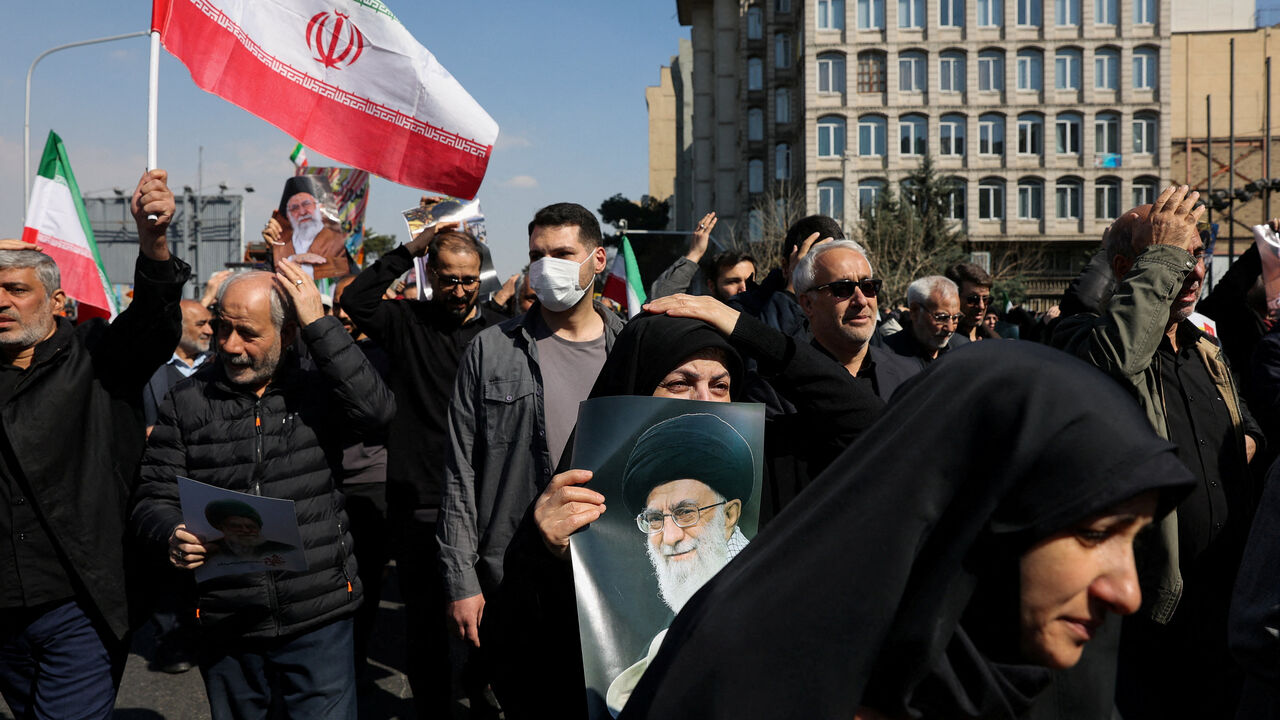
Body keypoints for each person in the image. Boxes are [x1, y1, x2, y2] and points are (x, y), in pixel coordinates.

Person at [615, 341, 1195, 720]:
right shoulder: (749, 676)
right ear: (983, 517)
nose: (1128, 592)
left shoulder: (1065, 678)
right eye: (1095, 535)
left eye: (1135, 540)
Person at [485, 295, 882, 718]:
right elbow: (514, 654)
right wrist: (540, 552)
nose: (704, 401)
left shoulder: (768, 463)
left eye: (721, 385)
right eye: (679, 383)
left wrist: (745, 328)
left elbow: (871, 427)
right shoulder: (579, 500)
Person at [132, 263, 394, 719]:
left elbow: (376, 413)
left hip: (319, 614)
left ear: (288, 333)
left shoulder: (318, 387)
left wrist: (320, 323)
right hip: (226, 616)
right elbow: (152, 494)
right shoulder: (188, 399)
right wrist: (170, 533)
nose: (231, 346)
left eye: (248, 333)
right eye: (222, 330)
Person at [1051, 185, 1263, 718]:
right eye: (1168, 256)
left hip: (1227, 603)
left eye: (1195, 255)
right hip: (1149, 617)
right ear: (1125, 267)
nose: (1191, 273)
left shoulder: (1205, 347)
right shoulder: (1080, 340)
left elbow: (1249, 424)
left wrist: (1246, 442)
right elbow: (1119, 361)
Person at [0, 170, 187, 719]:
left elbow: (153, 321)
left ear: (58, 301)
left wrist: (153, 243)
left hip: (80, 600)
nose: (2, 303)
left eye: (16, 289)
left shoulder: (99, 358)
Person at [437, 202, 622, 673]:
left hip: (609, 573)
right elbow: (460, 471)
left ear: (597, 260)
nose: (546, 268)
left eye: (562, 253)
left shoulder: (630, 348)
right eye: (537, 256)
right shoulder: (490, 350)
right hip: (513, 574)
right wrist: (461, 579)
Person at [339, 221, 503, 716]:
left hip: (484, 499)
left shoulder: (500, 329)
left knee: (489, 619)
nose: (460, 290)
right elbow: (356, 299)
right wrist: (408, 248)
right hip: (419, 499)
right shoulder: (405, 322)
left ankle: (481, 693)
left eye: (469, 279)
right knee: (426, 622)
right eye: (450, 279)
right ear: (430, 275)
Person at [605, 413, 754, 713]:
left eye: (686, 512)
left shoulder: (761, 596)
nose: (670, 536)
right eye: (655, 519)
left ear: (729, 516)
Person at [792, 240, 918, 401]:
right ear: (808, 303)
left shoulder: (910, 374)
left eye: (868, 287)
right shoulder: (778, 387)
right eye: (842, 289)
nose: (861, 300)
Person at [729, 215, 842, 343]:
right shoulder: (743, 310)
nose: (827, 278)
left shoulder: (851, 300)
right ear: (785, 267)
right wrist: (796, 284)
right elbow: (761, 354)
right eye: (815, 267)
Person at [650, 212, 758, 304]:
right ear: (712, 286)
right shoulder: (702, 324)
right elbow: (657, 303)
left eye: (750, 282)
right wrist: (695, 253)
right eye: (733, 282)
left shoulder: (766, 316)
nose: (743, 289)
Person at [143, 299, 212, 434]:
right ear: (178, 326)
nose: (209, 331)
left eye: (210, 323)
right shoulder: (149, 368)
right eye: (201, 324)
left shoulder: (217, 365)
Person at [262, 176, 350, 280]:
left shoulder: (336, 240)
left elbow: (344, 270)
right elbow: (269, 278)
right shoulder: (282, 243)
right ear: (288, 215)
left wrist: (297, 262)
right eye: (294, 208)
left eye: (306, 204)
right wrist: (271, 250)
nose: (302, 212)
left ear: (320, 207)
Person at [884, 275, 965, 368]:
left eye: (955, 318)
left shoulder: (962, 350)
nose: (950, 328)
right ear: (915, 311)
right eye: (941, 318)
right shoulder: (886, 356)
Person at [203, 500, 296, 560]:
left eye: (251, 526)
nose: (245, 531)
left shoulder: (283, 549)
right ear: (222, 527)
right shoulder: (207, 551)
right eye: (236, 526)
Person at [946, 261, 995, 343]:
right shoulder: (941, 343)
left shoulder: (994, 340)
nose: (981, 306)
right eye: (973, 299)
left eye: (986, 299)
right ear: (953, 298)